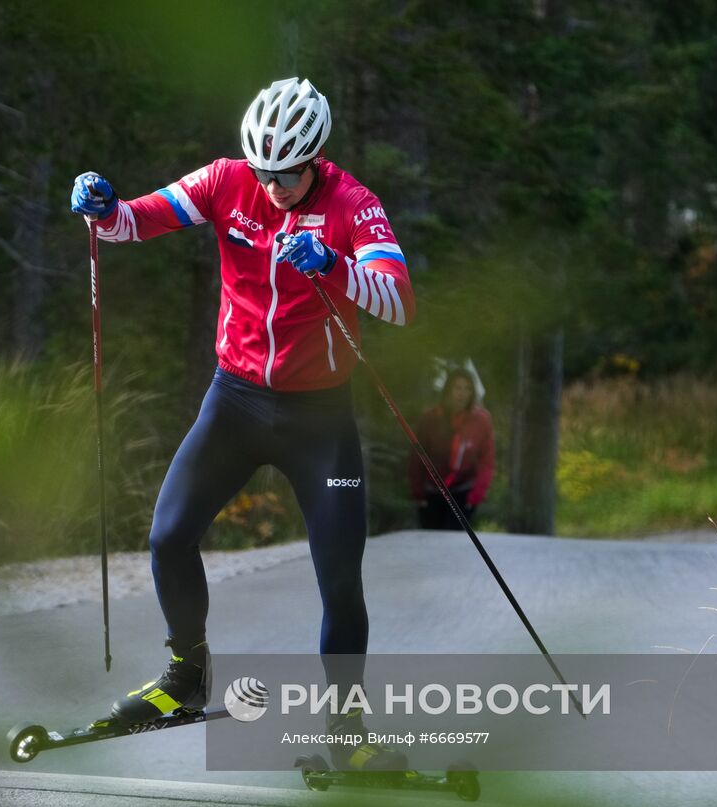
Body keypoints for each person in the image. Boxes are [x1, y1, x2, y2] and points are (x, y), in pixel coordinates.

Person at [69, 77, 413, 770]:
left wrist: (337, 264)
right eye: (264, 171)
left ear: (315, 159)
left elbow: (399, 302)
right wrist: (102, 207)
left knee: (340, 578)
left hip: (321, 418)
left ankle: (347, 731)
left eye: (287, 173)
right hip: (237, 400)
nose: (274, 185)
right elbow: (135, 220)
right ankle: (185, 680)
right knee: (168, 535)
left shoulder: (354, 205)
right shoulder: (228, 181)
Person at [408, 363, 494, 530]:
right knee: (432, 541)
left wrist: (476, 495)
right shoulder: (430, 418)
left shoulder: (481, 420)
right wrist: (417, 491)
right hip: (432, 492)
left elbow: (487, 461)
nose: (462, 394)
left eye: (468, 389)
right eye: (457, 388)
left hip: (463, 493)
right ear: (448, 390)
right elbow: (417, 457)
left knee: (454, 541)